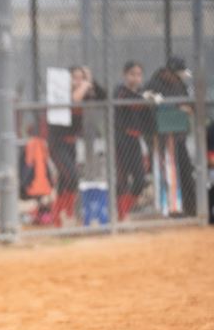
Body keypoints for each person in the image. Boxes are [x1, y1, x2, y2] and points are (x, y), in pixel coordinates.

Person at [48, 65, 105, 227]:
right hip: (57, 143)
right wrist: (84, 85)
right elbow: (74, 100)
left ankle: (60, 217)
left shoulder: (85, 91)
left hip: (71, 143)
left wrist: (91, 80)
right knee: (72, 177)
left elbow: (103, 97)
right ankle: (64, 213)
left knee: (66, 181)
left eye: (81, 77)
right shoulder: (60, 93)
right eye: (75, 77)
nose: (78, 81)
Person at [144, 55, 196, 217]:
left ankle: (191, 208)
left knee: (186, 171)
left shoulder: (180, 83)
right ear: (168, 72)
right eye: (176, 75)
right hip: (162, 138)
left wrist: (186, 108)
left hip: (179, 135)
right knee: (167, 172)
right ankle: (170, 208)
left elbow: (190, 105)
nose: (178, 79)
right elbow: (147, 101)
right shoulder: (154, 83)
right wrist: (174, 106)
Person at [113, 61, 152, 221]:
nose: (136, 78)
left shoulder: (142, 93)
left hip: (136, 140)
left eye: (138, 74)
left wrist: (150, 100)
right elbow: (132, 103)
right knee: (122, 178)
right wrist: (144, 98)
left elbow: (147, 119)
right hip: (121, 138)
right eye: (132, 74)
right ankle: (120, 215)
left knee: (140, 180)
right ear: (125, 75)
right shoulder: (120, 91)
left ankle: (124, 210)